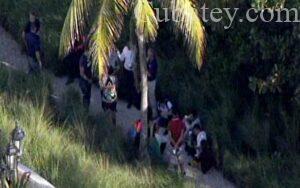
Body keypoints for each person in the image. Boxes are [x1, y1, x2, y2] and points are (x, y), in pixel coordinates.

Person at [117, 43, 136, 108]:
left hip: (131, 71)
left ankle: (131, 101)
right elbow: (122, 58)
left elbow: (133, 61)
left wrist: (132, 65)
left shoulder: (134, 50)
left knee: (130, 86)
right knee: (126, 84)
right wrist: (119, 54)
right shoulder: (125, 49)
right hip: (126, 70)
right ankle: (127, 99)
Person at [147, 48, 158, 119]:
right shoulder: (149, 60)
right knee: (147, 97)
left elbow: (150, 74)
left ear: (152, 53)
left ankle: (154, 114)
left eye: (149, 52)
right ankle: (149, 111)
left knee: (152, 97)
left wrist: (145, 70)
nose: (147, 52)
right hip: (147, 81)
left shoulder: (154, 63)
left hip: (151, 82)